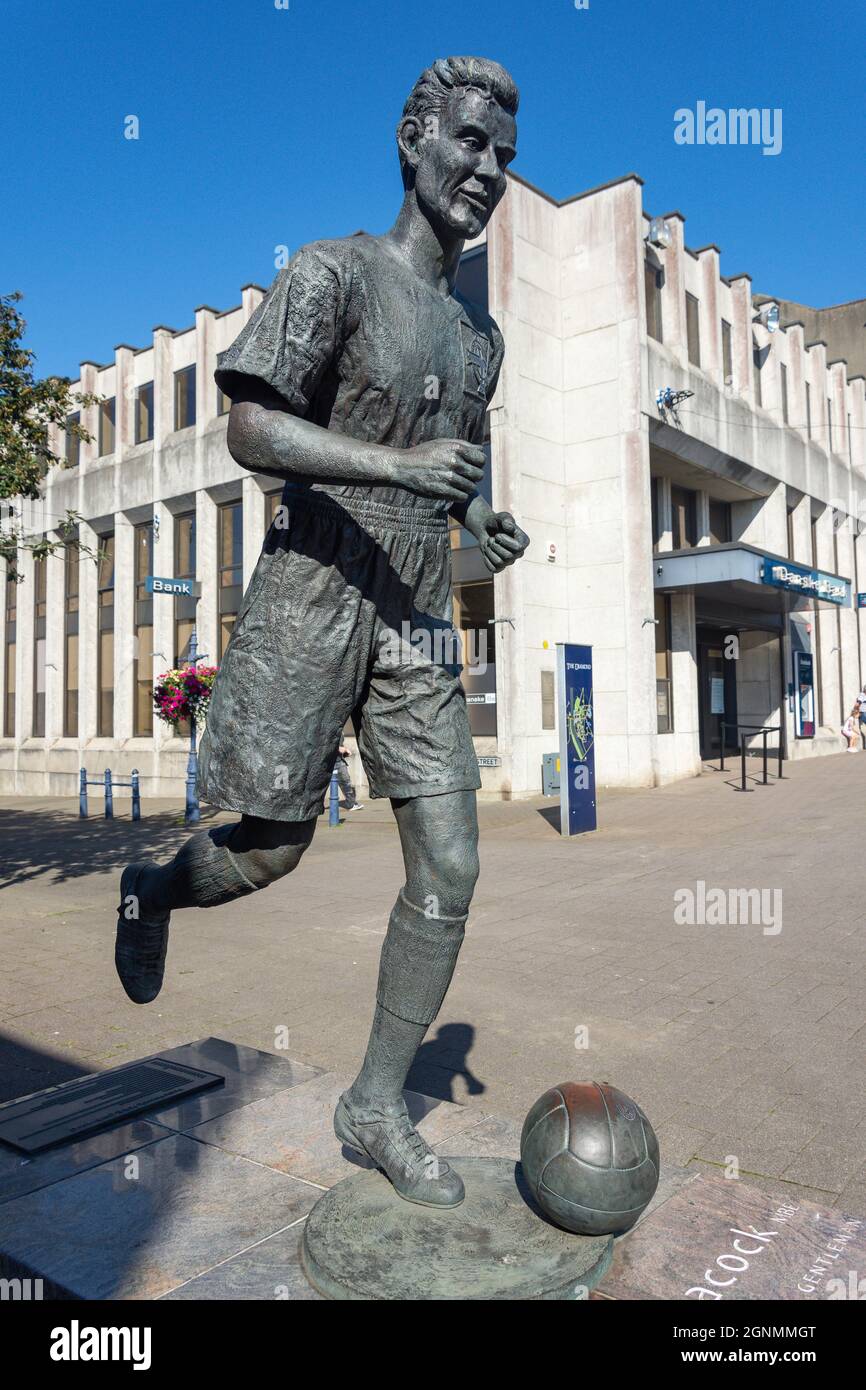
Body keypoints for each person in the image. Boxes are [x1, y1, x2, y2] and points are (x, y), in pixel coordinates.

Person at [115, 56, 529, 1210]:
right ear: (413, 141)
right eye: (468, 143)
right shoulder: (330, 271)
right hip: (310, 589)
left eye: (502, 153)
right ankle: (152, 888)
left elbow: (454, 483)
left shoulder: (475, 339)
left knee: (450, 860)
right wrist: (397, 465)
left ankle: (376, 1100)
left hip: (414, 617)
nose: (486, 169)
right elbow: (252, 426)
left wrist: (476, 527)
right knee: (270, 850)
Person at [335, 743, 362, 810]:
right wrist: (337, 748)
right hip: (333, 762)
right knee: (345, 783)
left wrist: (345, 750)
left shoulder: (340, 733)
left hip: (339, 760)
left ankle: (351, 804)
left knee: (346, 782)